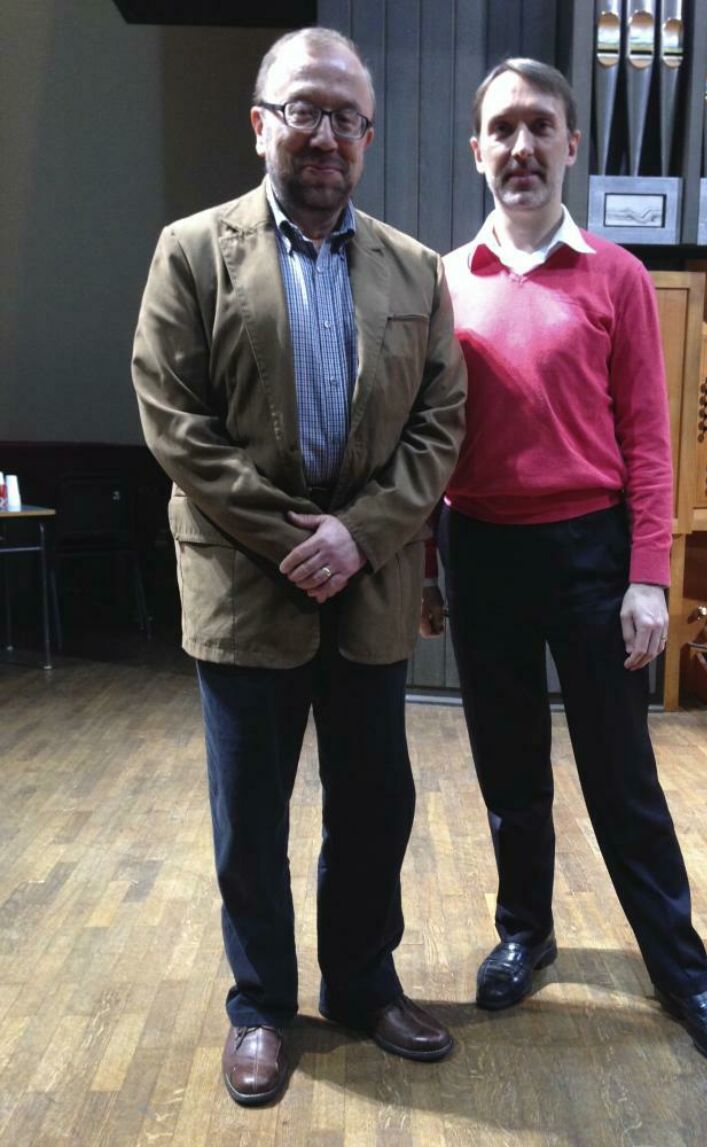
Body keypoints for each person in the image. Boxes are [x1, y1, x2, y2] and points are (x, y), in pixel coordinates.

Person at [132, 27, 466, 1106]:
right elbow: (173, 419)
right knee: (252, 818)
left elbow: (439, 423)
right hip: (244, 583)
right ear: (261, 122)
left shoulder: (415, 267)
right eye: (304, 111)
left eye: (345, 119)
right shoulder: (191, 249)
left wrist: (358, 534)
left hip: (367, 584)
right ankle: (261, 1006)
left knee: (374, 805)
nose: (325, 135)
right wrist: (292, 534)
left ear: (365, 137)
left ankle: (363, 985)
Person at [428, 58, 707, 1077]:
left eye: (540, 127)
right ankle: (525, 932)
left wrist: (647, 575)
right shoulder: (442, 280)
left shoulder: (614, 276)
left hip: (590, 550)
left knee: (622, 778)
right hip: (478, 547)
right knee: (507, 771)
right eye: (502, 129)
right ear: (476, 151)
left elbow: (649, 440)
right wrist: (427, 570)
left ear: (571, 145)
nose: (520, 147)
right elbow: (428, 434)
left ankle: (682, 973)